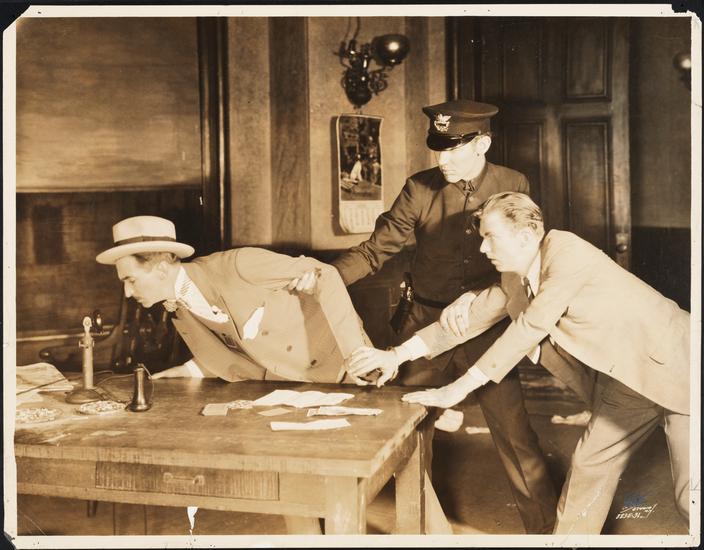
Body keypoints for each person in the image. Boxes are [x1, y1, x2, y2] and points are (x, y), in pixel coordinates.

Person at [352, 191, 690, 534]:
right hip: (628, 379)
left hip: (682, 366)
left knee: (688, 495)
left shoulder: (567, 252)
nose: (483, 248)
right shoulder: (515, 278)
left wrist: (456, 389)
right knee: (589, 470)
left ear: (526, 236)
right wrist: (395, 355)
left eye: (490, 237)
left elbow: (530, 327)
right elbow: (468, 321)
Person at [330, 100, 559, 533]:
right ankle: (420, 531)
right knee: (409, 432)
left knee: (515, 435)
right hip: (423, 321)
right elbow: (375, 251)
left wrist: (475, 296)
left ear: (482, 144)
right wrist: (323, 279)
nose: (442, 160)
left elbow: (523, 256)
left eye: (453, 150)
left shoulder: (513, 183)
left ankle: (547, 533)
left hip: (486, 325)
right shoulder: (419, 188)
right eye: (438, 149)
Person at [96, 215, 374, 534]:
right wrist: (176, 375)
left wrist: (356, 354)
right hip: (291, 391)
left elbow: (327, 276)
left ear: (160, 268)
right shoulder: (178, 309)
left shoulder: (240, 265)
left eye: (130, 279)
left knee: (345, 494)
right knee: (293, 487)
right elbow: (225, 354)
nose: (127, 292)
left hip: (344, 372)